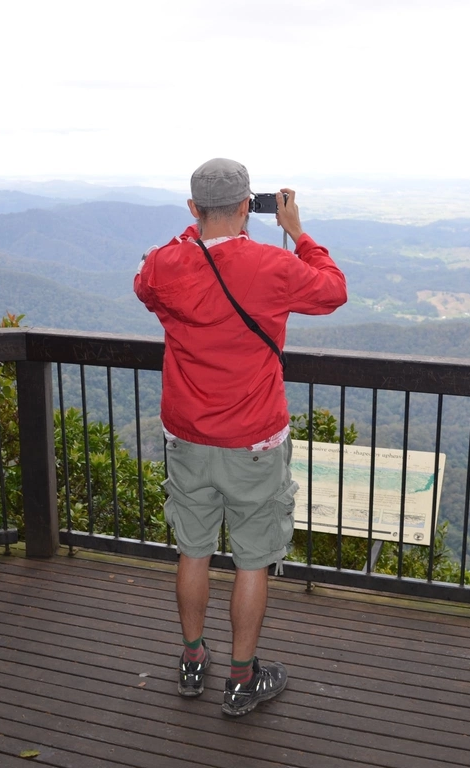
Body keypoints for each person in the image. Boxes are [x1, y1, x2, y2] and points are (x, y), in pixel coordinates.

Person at [133, 158, 347, 716]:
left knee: (193, 549)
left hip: (187, 436)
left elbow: (146, 286)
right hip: (253, 440)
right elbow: (332, 291)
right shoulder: (271, 265)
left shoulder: (165, 264)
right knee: (251, 561)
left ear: (193, 209)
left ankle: (190, 660)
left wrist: (192, 235)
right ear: (249, 206)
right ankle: (241, 678)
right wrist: (298, 231)